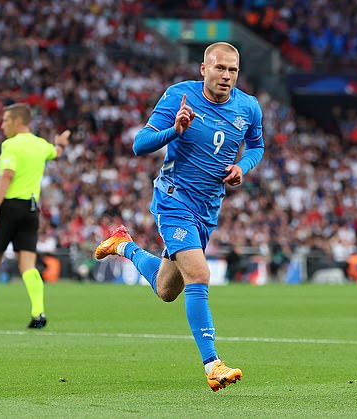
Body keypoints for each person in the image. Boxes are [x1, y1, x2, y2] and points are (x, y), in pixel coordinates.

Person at [95, 42, 264, 391]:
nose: (226, 76)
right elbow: (140, 145)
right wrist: (176, 130)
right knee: (199, 275)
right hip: (174, 199)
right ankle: (213, 364)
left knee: (166, 289)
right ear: (204, 69)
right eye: (220, 68)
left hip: (208, 207)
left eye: (232, 70)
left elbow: (257, 145)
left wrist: (242, 166)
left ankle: (124, 246)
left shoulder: (248, 107)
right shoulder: (179, 96)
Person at [0, 103, 70, 329]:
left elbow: (7, 176)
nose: (2, 125)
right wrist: (61, 143)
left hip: (9, 207)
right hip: (31, 209)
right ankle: (39, 312)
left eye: (5, 121)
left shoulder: (10, 145)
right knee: (28, 265)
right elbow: (56, 153)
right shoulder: (41, 145)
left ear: (19, 121)